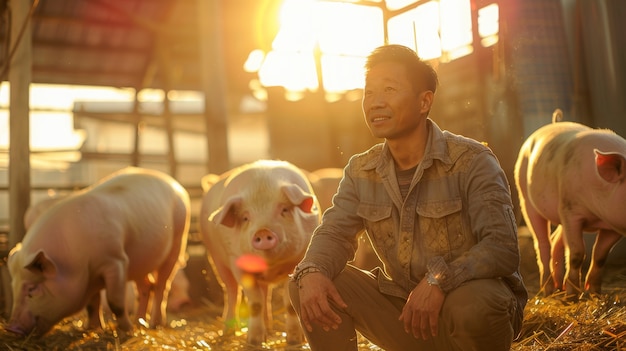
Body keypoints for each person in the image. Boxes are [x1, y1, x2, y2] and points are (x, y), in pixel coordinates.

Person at [288, 44, 528, 351]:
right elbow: (334, 233)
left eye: (389, 89)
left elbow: (501, 247)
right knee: (307, 282)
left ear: (424, 101)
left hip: (469, 313)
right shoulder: (362, 170)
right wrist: (312, 270)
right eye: (369, 92)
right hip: (408, 316)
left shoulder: (472, 161)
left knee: (473, 304)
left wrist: (439, 280)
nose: (375, 103)